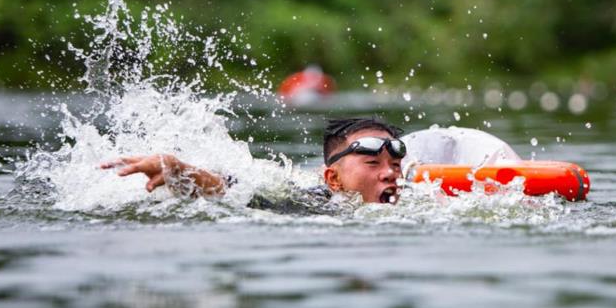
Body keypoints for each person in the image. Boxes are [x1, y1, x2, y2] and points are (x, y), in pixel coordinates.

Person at [100, 117, 406, 205]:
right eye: (372, 163)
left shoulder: (419, 201)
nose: (389, 174)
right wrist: (181, 171)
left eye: (395, 165)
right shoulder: (308, 204)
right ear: (333, 180)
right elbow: (238, 192)